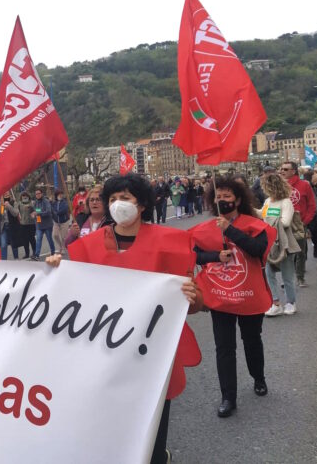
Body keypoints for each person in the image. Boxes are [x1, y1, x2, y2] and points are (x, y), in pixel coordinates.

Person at [46, 174, 202, 464]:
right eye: (114, 198)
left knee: (153, 426)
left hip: (153, 355)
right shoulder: (88, 247)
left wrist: (195, 296)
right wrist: (56, 270)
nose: (119, 204)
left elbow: (192, 304)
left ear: (141, 204)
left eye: (126, 198)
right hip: (107, 355)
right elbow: (74, 295)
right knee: (111, 426)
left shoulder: (169, 243)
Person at [190, 177, 275, 418]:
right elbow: (195, 255)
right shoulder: (207, 228)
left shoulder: (254, 224)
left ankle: (258, 377)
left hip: (249, 294)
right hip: (220, 297)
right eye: (218, 196)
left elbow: (258, 250)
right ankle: (228, 396)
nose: (222, 200)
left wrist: (230, 231)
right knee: (224, 347)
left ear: (237, 199)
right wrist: (215, 256)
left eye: (227, 196)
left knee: (252, 339)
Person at [260, 174, 301, 316]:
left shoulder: (286, 202)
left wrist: (268, 221)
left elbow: (285, 222)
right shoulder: (267, 201)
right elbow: (262, 214)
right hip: (270, 243)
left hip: (284, 243)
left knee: (287, 276)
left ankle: (291, 302)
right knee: (268, 274)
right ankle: (275, 303)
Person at [280, 161, 315, 287]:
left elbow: (312, 205)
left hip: (300, 224)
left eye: (285, 169)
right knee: (285, 253)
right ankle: (287, 279)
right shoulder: (279, 186)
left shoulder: (304, 185)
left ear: (293, 171)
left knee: (300, 252)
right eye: (281, 169)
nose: (282, 171)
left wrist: (305, 221)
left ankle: (300, 277)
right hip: (283, 225)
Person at [0, 191, 20, 260]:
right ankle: (4, 262)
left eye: (7, 194)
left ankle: (16, 259)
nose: (6, 195)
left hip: (12, 226)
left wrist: (8, 205)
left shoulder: (14, 202)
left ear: (10, 195)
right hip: (4, 227)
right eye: (4, 194)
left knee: (14, 244)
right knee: (3, 245)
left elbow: (15, 213)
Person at [32, 188, 54, 260]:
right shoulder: (35, 202)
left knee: (49, 239)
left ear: (42, 194)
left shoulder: (46, 201)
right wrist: (35, 214)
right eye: (36, 194)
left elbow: (48, 212)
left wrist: (38, 213)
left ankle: (53, 252)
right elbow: (37, 210)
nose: (37, 195)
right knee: (38, 239)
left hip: (47, 224)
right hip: (39, 224)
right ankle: (37, 255)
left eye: (39, 193)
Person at [16, 191, 37, 258]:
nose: (25, 198)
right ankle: (27, 253)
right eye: (23, 196)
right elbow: (15, 212)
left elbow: (39, 210)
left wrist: (32, 208)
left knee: (32, 239)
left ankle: (34, 252)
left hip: (31, 224)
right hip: (23, 224)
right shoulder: (19, 204)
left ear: (28, 197)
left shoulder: (32, 203)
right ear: (21, 197)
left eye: (26, 196)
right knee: (25, 240)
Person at [51, 189, 71, 254]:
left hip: (64, 221)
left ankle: (63, 248)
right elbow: (51, 209)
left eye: (61, 194)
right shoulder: (54, 203)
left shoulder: (65, 202)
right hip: (56, 221)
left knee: (63, 236)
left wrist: (56, 212)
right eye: (59, 194)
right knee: (55, 235)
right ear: (56, 195)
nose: (60, 195)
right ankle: (61, 246)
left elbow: (64, 210)